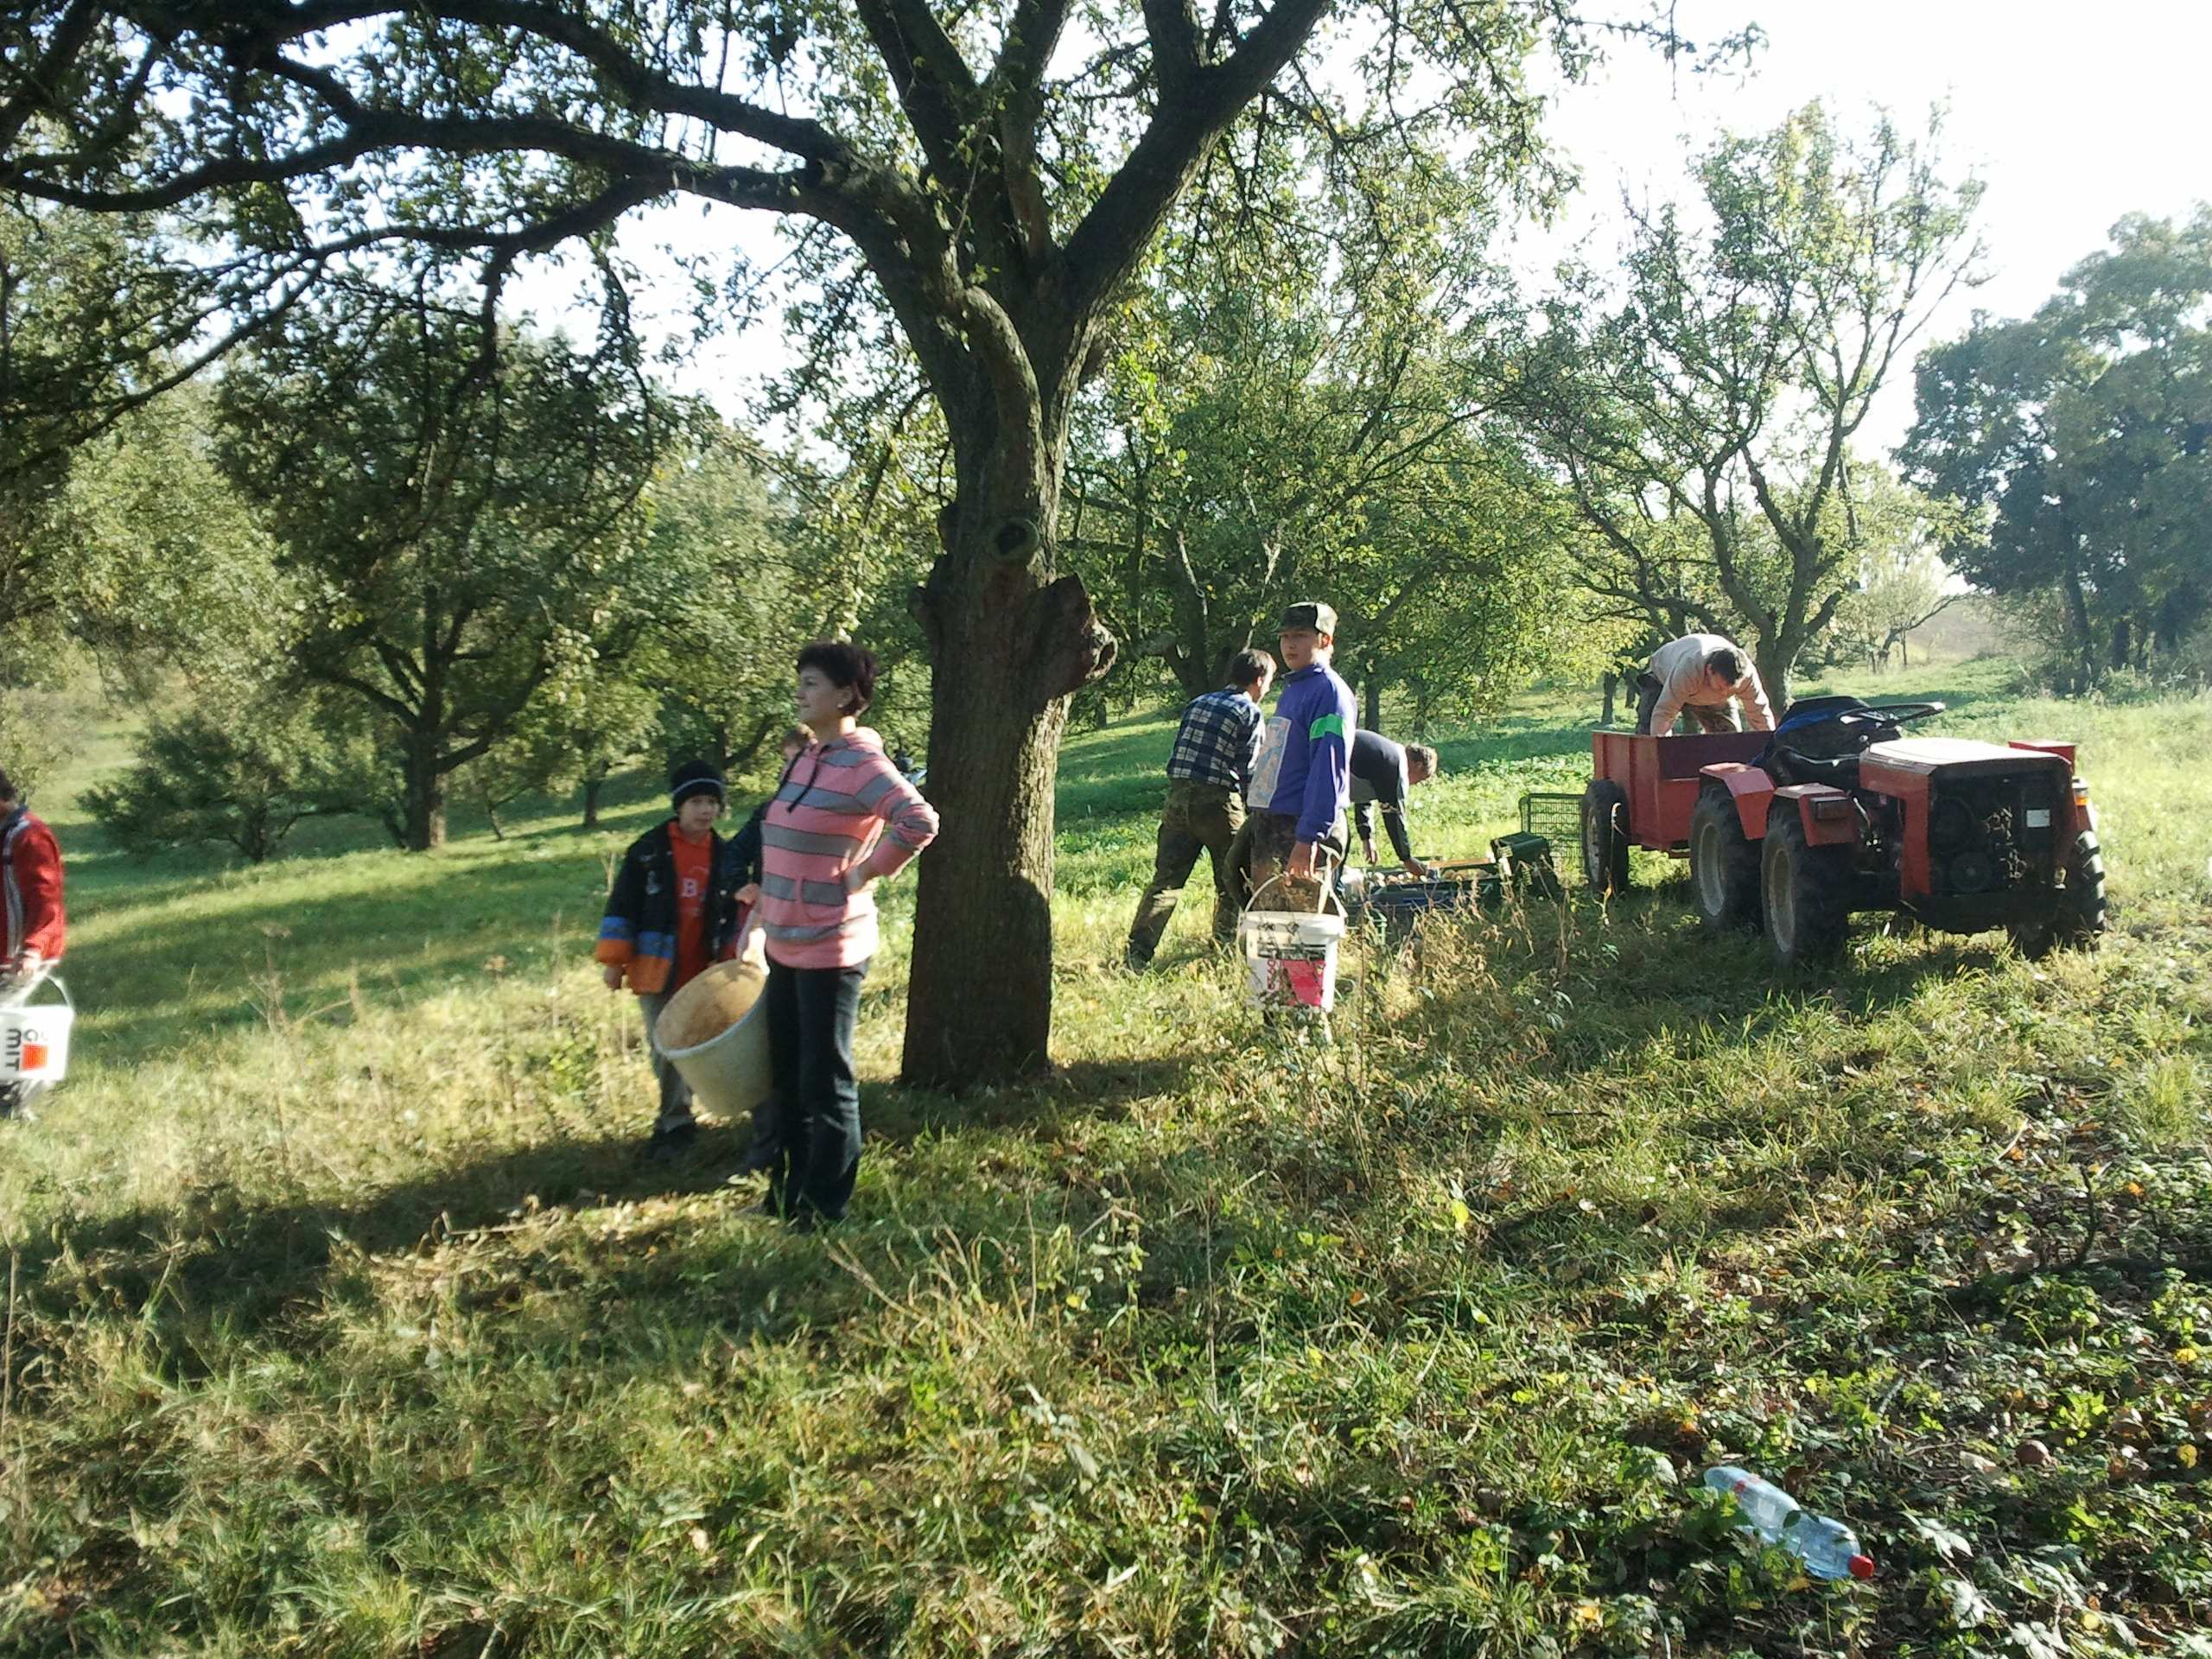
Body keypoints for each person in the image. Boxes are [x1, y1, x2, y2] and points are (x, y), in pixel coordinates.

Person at [740, 641, 938, 1230]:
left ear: (847, 694)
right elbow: (780, 841)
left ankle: (825, 1208)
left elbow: (918, 820)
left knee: (825, 1080)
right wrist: (757, 918)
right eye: (798, 681)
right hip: (784, 941)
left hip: (832, 945)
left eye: (811, 683)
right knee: (787, 1078)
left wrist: (866, 872)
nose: (800, 692)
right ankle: (786, 1195)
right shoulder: (804, 758)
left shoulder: (863, 765)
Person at [596, 760, 748, 1156]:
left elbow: (736, 913)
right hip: (657, 969)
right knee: (666, 1048)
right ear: (679, 805)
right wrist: (615, 961)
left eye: (713, 802)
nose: (706, 810)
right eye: (697, 801)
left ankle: (731, 1109)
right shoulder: (648, 852)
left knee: (710, 1045)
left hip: (708, 971)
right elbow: (623, 907)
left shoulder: (727, 855)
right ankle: (674, 1123)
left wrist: (733, 959)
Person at [1124, 648, 1276, 969]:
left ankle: (1137, 954)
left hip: (1178, 800)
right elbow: (1249, 770)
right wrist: (1258, 816)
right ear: (1259, 680)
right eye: (1270, 682)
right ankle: (1222, 952)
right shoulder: (1249, 712)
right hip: (1218, 804)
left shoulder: (1199, 703)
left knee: (1166, 881)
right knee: (1233, 882)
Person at [726, 726, 813, 1173]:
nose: (789, 769)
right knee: (767, 1039)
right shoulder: (768, 812)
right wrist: (746, 886)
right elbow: (731, 856)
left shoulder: (830, 811)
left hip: (819, 944)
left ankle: (808, 1146)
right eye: (786, 760)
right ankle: (768, 1147)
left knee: (811, 1047)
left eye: (798, 759)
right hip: (766, 937)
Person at [1245, 601, 1357, 910]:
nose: (1289, 644)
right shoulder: (1295, 688)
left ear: (1325, 640)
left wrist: (1309, 838)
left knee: (1300, 930)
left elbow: (1328, 769)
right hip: (1273, 822)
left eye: (1300, 635)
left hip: (1301, 828)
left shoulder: (1329, 693)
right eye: (1284, 637)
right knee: (1270, 930)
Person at [1, 766, 66, 1121]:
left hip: (19, 954)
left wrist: (33, 948)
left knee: (5, 1026)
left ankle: (16, 1107)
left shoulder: (30, 837)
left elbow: (46, 899)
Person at [1637, 634, 1776, 736]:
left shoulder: (1747, 675)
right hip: (1662, 678)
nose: (1724, 693)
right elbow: (1665, 712)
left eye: (1730, 690)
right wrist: (1661, 752)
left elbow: (1760, 714)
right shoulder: (1689, 668)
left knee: (1731, 740)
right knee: (1649, 735)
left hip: (1701, 690)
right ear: (1709, 670)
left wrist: (1769, 747)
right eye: (1721, 687)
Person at [1350, 731, 1440, 879]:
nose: (1413, 784)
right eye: (1419, 780)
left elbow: (1363, 797)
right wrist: (1407, 858)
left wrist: (1367, 837)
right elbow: (1394, 814)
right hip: (1315, 782)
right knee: (1335, 843)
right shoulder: (1397, 767)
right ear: (1417, 766)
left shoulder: (1387, 754)